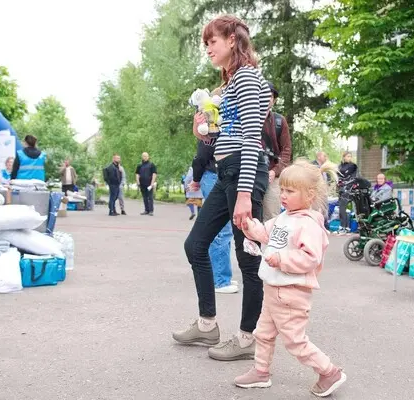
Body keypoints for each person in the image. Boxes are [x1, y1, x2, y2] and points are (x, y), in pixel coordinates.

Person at [173, 15, 271, 361]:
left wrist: (244, 195)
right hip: (226, 171)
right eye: (205, 43)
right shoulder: (230, 84)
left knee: (248, 260)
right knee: (196, 244)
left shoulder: (245, 77)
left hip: (244, 175)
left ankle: (248, 339)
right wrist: (205, 130)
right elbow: (228, 136)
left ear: (232, 39)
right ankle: (207, 323)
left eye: (212, 41)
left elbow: (250, 140)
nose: (208, 49)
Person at [233, 161, 346, 397]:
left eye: (290, 191)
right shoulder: (285, 217)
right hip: (273, 290)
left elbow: (310, 258)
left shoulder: (309, 224)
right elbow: (265, 234)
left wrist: (282, 259)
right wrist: (249, 227)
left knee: (295, 341)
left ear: (310, 194)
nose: (283, 195)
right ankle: (261, 372)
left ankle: (329, 371)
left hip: (292, 293)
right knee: (262, 334)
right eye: (282, 189)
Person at [191, 140, 238, 294]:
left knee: (224, 228)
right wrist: (196, 179)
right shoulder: (211, 123)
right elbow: (202, 155)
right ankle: (220, 280)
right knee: (221, 231)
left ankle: (220, 274)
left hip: (218, 174)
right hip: (213, 175)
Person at [261, 82, 292, 222]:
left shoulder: (279, 121)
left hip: (272, 175)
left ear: (273, 99)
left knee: (271, 217)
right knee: (249, 218)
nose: (266, 98)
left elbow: (286, 150)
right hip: (250, 174)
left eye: (270, 96)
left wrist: (275, 171)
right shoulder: (246, 118)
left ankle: (271, 244)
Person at [336, 151, 358, 235]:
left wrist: (344, 181)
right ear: (344, 157)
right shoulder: (340, 166)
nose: (349, 158)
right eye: (348, 156)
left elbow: (352, 177)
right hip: (341, 189)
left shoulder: (353, 166)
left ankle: (346, 227)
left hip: (349, 189)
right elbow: (338, 176)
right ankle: (343, 227)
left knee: (346, 209)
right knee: (342, 209)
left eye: (350, 156)